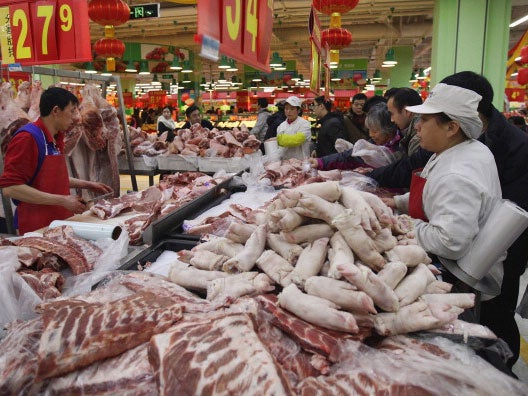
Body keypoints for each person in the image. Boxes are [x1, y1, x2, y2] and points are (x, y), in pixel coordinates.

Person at [369, 71, 528, 370]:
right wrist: (398, 203)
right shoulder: (456, 150)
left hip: (457, 276)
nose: (417, 127)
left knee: (470, 357)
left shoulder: (459, 171)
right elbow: (433, 192)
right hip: (460, 264)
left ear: (452, 126)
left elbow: (449, 241)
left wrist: (403, 226)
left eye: (425, 121)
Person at [0, 87, 112, 234]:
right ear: (56, 111)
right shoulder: (27, 138)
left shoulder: (56, 138)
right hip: (37, 227)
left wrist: (88, 184)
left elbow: (51, 177)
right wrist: (62, 200)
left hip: (60, 222)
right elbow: (11, 188)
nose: (75, 117)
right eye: (72, 111)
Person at [310, 103, 402, 170]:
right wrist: (321, 162)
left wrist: (372, 173)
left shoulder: (402, 147)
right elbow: (348, 157)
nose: (370, 134)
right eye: (369, 130)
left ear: (388, 130)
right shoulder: (373, 144)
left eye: (374, 131)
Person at [386, 87, 423, 157]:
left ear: (407, 111)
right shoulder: (409, 134)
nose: (392, 120)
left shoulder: (418, 138)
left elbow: (413, 166)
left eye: (392, 114)